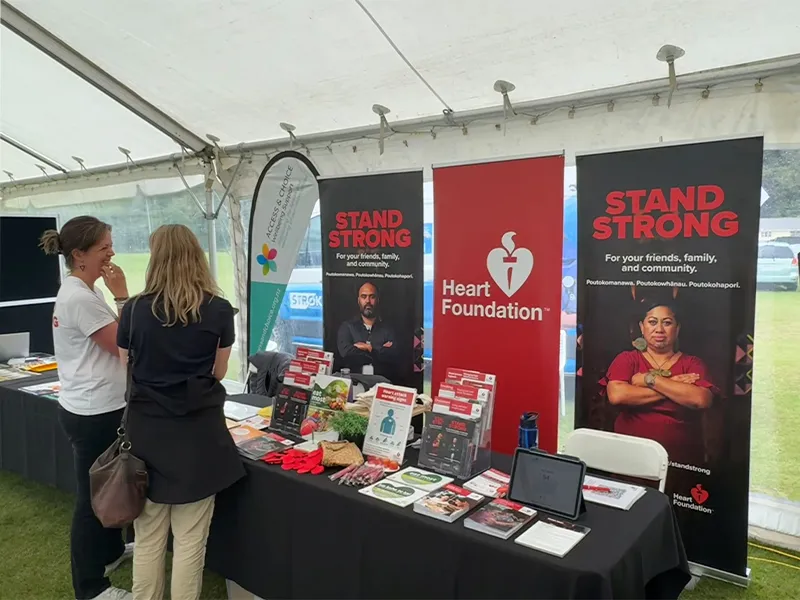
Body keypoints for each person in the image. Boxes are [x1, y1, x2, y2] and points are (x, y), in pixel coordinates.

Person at [116, 224, 245, 600]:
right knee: (190, 541)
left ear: (156, 258)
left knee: (148, 537)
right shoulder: (218, 309)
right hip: (197, 437)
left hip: (147, 436)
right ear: (197, 257)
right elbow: (218, 372)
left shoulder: (135, 309)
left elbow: (126, 365)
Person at [40, 216, 134, 600]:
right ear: (79, 255)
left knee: (108, 489)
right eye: (103, 247)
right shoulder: (81, 297)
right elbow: (125, 346)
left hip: (94, 405)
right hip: (95, 411)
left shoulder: (81, 289)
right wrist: (124, 297)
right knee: (92, 499)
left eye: (110, 243)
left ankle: (110, 552)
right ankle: (91, 589)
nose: (111, 252)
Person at [603, 302, 718, 464]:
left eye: (667, 323)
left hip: (681, 461)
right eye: (652, 322)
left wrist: (650, 380)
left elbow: (701, 399)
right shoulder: (627, 359)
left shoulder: (692, 363)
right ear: (642, 327)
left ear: (677, 329)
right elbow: (617, 395)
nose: (659, 329)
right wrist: (672, 384)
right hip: (631, 458)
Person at [336, 282, 397, 377]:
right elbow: (346, 354)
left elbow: (392, 356)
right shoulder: (347, 327)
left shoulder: (388, 328)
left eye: (372, 297)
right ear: (358, 300)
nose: (368, 301)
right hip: (355, 382)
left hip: (382, 383)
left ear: (378, 300)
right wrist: (379, 350)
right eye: (364, 297)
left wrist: (369, 348)